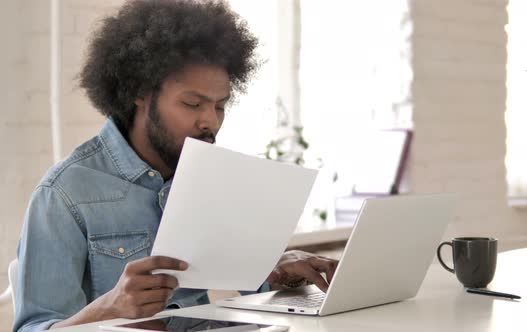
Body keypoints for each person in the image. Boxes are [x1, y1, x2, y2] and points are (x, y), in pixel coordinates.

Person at [14, 1, 338, 331]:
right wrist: (110, 309)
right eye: (192, 103)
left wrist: (277, 271)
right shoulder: (66, 194)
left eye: (220, 106)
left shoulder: (213, 176)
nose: (210, 121)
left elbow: (251, 285)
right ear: (139, 91)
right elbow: (33, 327)